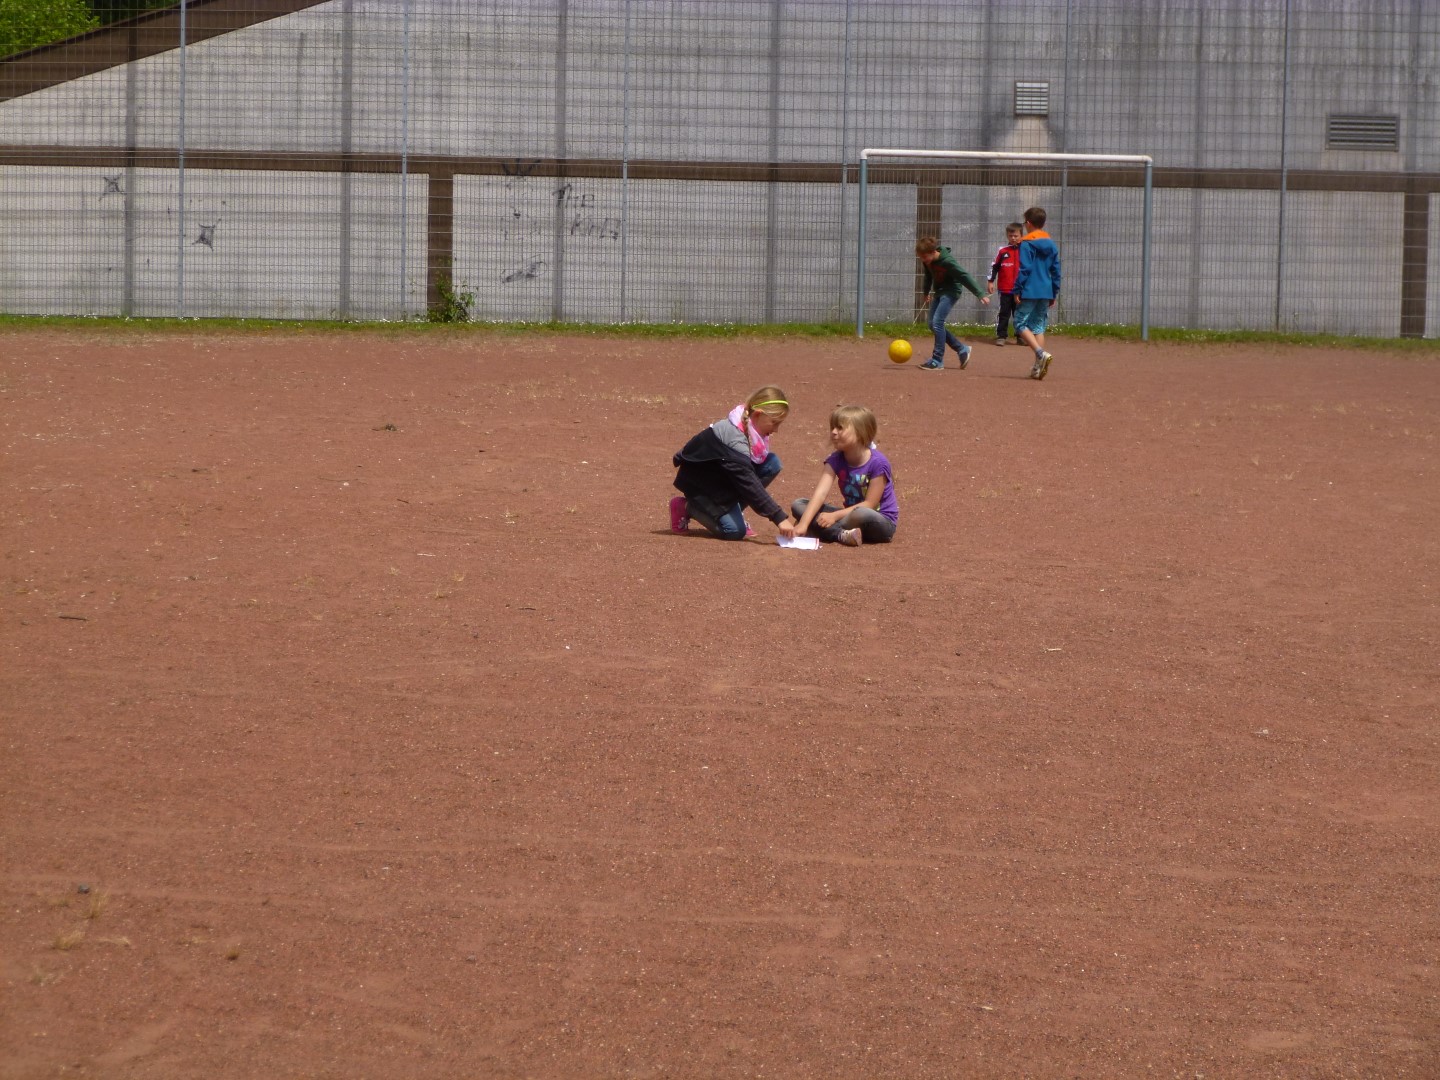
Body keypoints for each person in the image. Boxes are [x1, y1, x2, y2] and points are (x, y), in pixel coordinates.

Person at [670, 386, 798, 541]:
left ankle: (732, 510)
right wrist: (779, 517)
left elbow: (746, 476)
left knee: (772, 463)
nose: (776, 429)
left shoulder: (748, 424)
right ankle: (686, 506)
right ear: (758, 414)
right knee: (733, 531)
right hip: (701, 487)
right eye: (774, 422)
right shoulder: (735, 439)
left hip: (720, 480)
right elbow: (748, 483)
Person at [790, 405, 898, 547]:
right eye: (833, 427)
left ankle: (819, 529)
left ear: (861, 432)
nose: (833, 432)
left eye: (840, 428)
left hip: (879, 522)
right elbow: (820, 494)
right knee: (799, 505)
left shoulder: (878, 463)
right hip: (848, 517)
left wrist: (834, 516)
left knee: (861, 513)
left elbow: (870, 504)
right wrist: (803, 524)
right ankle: (842, 534)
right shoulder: (835, 459)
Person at [916, 236, 990, 371]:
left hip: (951, 291)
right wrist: (926, 292)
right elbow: (928, 276)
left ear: (933, 252)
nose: (923, 260)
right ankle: (962, 349)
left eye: (924, 257)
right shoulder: (928, 261)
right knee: (932, 324)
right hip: (939, 291)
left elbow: (964, 276)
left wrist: (980, 293)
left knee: (937, 322)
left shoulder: (947, 261)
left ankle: (937, 360)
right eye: (921, 257)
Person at [1013, 206, 1062, 380]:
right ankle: (1038, 367)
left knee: (1019, 323)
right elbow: (1056, 270)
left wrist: (1017, 289)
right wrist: (1054, 291)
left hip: (1030, 289)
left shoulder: (1027, 243)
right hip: (1046, 289)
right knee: (1038, 326)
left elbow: (1025, 268)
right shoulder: (1051, 243)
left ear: (1028, 223)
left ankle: (1041, 354)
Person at [986, 222, 1024, 346]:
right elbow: (994, 266)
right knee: (1004, 313)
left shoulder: (1025, 250)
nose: (1013, 238)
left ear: (1021, 236)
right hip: (1005, 289)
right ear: (1007, 236)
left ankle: (1021, 336)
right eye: (1010, 236)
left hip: (1021, 290)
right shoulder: (1002, 251)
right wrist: (990, 281)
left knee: (1020, 314)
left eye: (1016, 236)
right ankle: (1001, 336)